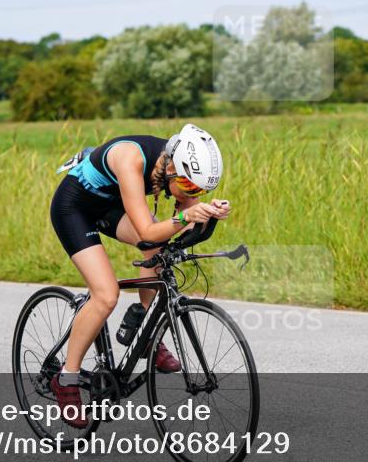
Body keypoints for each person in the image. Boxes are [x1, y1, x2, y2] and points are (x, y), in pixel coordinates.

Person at [49, 124, 231, 427]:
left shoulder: (181, 172)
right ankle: (65, 379)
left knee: (157, 248)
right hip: (75, 207)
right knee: (106, 295)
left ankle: (146, 334)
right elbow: (148, 231)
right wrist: (186, 215)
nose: (192, 194)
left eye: (199, 190)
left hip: (111, 206)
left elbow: (180, 224)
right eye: (188, 187)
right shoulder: (130, 158)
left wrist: (208, 214)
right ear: (171, 167)